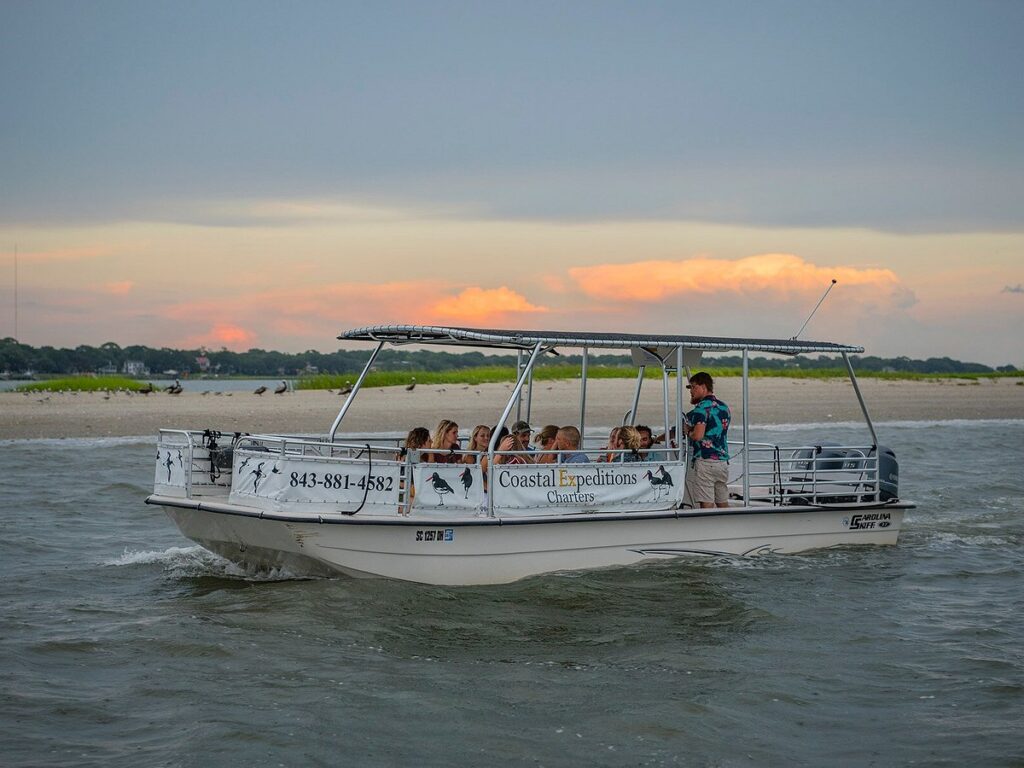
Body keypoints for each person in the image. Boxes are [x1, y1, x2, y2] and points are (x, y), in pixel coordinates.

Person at [682, 372, 731, 509]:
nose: (691, 391)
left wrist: (688, 431)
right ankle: (726, 527)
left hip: (705, 460)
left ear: (703, 387)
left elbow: (698, 435)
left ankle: (708, 529)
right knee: (722, 501)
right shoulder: (724, 407)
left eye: (693, 387)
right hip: (722, 460)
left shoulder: (701, 409)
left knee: (706, 502)